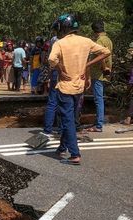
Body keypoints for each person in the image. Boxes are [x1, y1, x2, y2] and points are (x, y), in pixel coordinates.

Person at [49, 13, 111, 165]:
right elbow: (106, 52)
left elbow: (51, 60)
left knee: (68, 119)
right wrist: (87, 65)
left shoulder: (60, 43)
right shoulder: (86, 41)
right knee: (69, 118)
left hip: (65, 87)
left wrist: (60, 69)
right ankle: (62, 147)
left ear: (63, 28)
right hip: (79, 87)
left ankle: (75, 154)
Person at [86, 20, 113, 132]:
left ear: (94, 31)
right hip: (104, 73)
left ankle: (98, 125)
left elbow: (101, 55)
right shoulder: (108, 39)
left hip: (98, 73)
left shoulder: (99, 40)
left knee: (98, 99)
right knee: (100, 98)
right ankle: (98, 122)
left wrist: (103, 67)